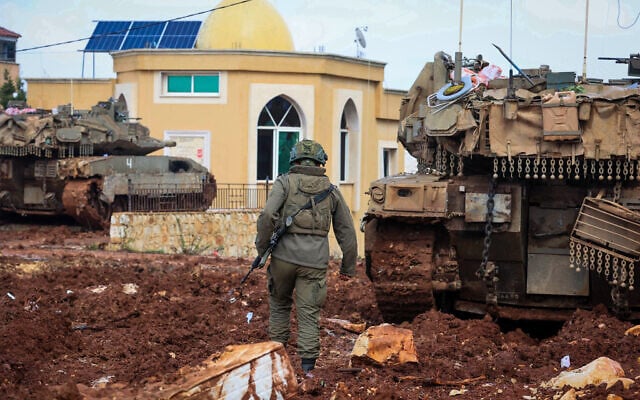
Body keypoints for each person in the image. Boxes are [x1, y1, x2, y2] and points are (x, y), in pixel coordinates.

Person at [255, 139, 357, 374]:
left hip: (283, 259)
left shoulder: (284, 182)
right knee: (309, 314)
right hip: (314, 262)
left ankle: (276, 362)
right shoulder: (331, 190)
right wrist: (347, 268)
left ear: (294, 159)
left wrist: (262, 251)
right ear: (321, 162)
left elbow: (268, 214)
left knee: (280, 306)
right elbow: (347, 232)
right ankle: (308, 369)